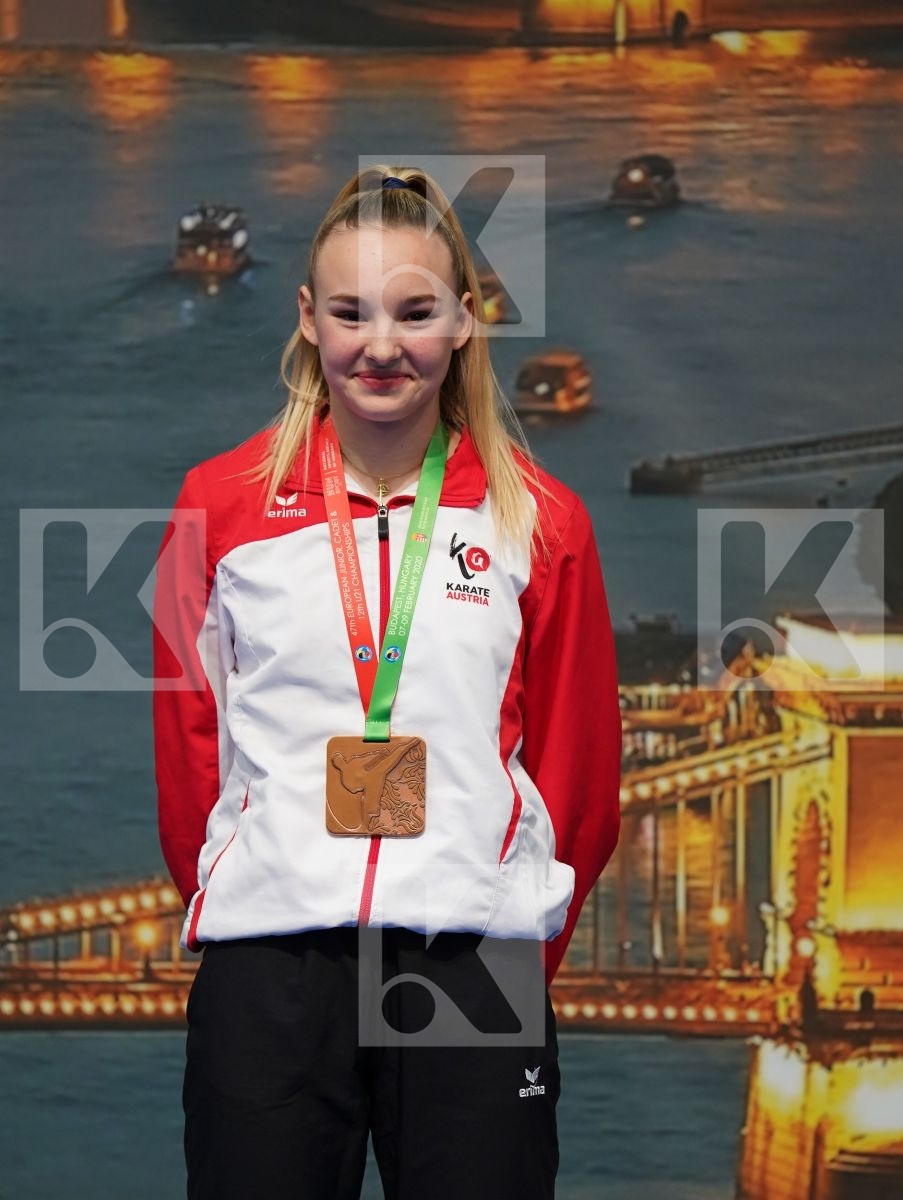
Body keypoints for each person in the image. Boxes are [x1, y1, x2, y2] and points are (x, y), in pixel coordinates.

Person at [152, 165, 622, 1200]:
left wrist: (512, 928)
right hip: (271, 965)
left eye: (415, 311)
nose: (382, 343)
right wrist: (237, 894)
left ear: (465, 320)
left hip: (471, 956)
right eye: (353, 312)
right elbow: (192, 744)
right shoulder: (219, 504)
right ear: (309, 320)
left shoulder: (540, 521)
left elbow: (580, 777)